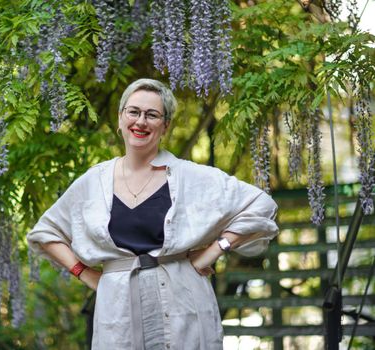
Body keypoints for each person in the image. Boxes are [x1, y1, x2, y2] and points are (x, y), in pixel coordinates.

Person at [26, 78, 279, 350]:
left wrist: (216, 249)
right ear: (121, 118)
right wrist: (85, 274)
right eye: (133, 112)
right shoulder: (94, 181)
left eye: (152, 115)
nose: (141, 121)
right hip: (119, 308)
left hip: (183, 300)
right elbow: (45, 233)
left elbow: (261, 205)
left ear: (165, 125)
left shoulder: (189, 176)